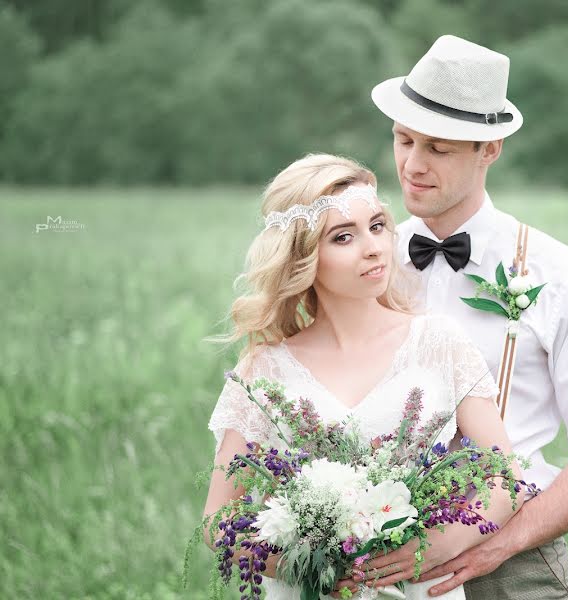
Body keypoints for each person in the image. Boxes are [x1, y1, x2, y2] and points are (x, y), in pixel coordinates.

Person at [363, 35, 568, 599]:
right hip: (377, 560)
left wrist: (497, 544)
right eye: (403, 139)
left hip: (515, 562)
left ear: (489, 148)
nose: (412, 165)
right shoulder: (365, 263)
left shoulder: (559, 274)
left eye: (438, 149)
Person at [202, 154, 523, 599]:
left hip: (418, 586)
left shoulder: (438, 341)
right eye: (343, 237)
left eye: (376, 226)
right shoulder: (264, 369)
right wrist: (310, 565)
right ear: (303, 255)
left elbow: (504, 477)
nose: (373, 247)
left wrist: (435, 547)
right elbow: (219, 520)